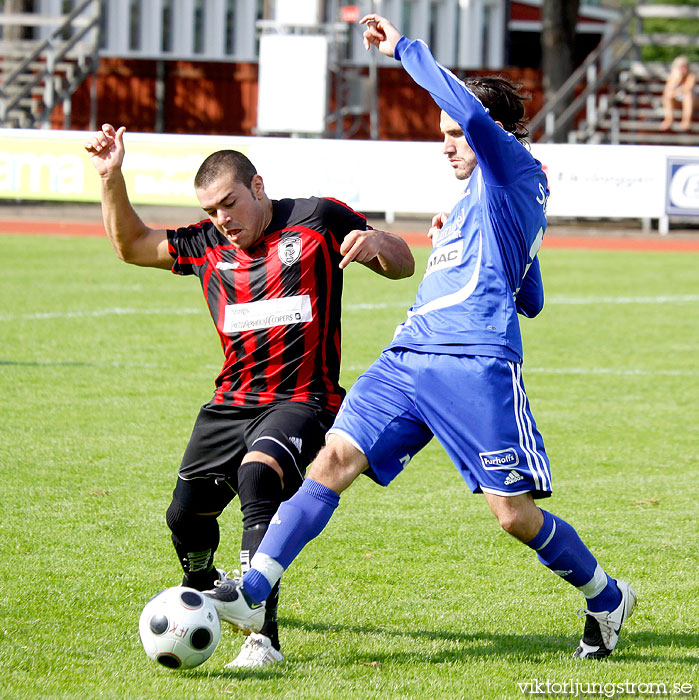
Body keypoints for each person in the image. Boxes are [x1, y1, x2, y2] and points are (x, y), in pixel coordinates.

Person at [204, 15, 636, 661]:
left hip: (471, 364)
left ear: (493, 132)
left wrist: (402, 49)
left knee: (512, 516)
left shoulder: (513, 168)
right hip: (406, 358)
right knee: (330, 463)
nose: (447, 144)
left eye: (457, 133)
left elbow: (468, 114)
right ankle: (253, 589)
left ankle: (606, 597)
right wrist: (474, 245)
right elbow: (532, 298)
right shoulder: (478, 199)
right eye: (443, 135)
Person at [84, 124, 415, 668]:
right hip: (230, 402)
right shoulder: (208, 242)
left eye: (230, 204)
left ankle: (261, 637)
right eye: (211, 210)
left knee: (259, 476)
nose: (222, 219)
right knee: (185, 520)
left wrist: (380, 243)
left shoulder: (318, 218)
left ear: (258, 187)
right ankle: (204, 590)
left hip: (304, 400)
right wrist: (110, 176)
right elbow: (132, 245)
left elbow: (400, 265)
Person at [660, 55, 696, 132]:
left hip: (692, 103)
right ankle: (668, 120)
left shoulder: (691, 76)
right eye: (681, 67)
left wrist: (676, 91)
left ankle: (686, 121)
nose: (683, 69)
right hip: (677, 102)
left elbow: (688, 88)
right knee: (667, 97)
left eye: (685, 67)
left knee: (688, 95)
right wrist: (676, 79)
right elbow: (667, 92)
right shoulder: (673, 77)